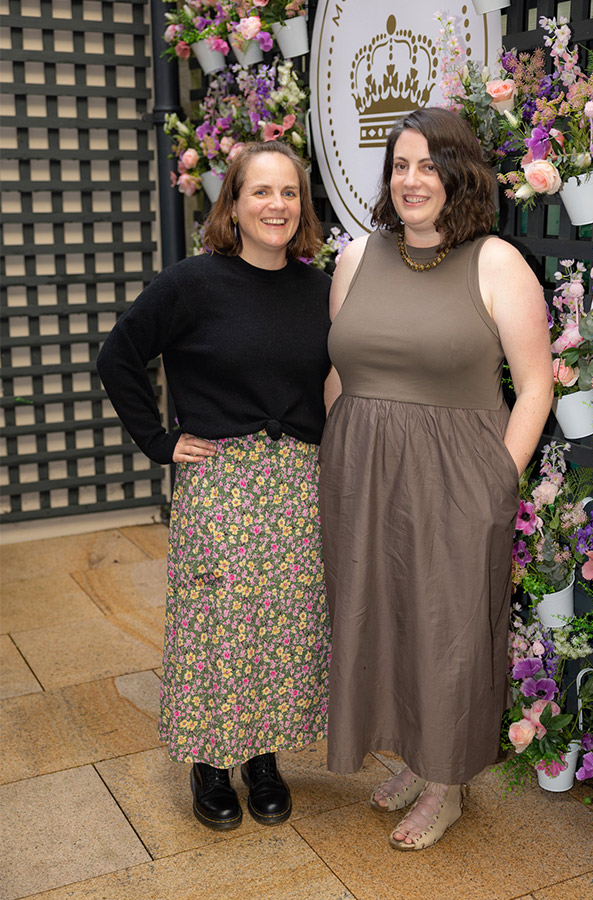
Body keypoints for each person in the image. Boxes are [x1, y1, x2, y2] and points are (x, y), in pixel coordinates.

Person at [318, 108, 553, 851]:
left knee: (447, 629)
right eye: (399, 166)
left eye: (427, 166)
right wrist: (338, 456)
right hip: (362, 474)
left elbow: (537, 386)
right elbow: (340, 367)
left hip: (457, 479)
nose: (411, 181)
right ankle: (418, 761)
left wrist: (495, 481)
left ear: (460, 175)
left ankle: (448, 786)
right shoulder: (358, 255)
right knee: (382, 619)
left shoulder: (497, 263)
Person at [97, 141, 332, 831]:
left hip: (296, 483)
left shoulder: (320, 289)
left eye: (288, 193)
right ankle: (208, 763)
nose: (276, 205)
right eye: (261, 191)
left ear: (302, 205)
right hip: (220, 481)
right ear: (232, 203)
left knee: (283, 624)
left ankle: (262, 757)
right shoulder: (191, 283)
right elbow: (119, 356)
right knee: (218, 627)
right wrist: (160, 441)